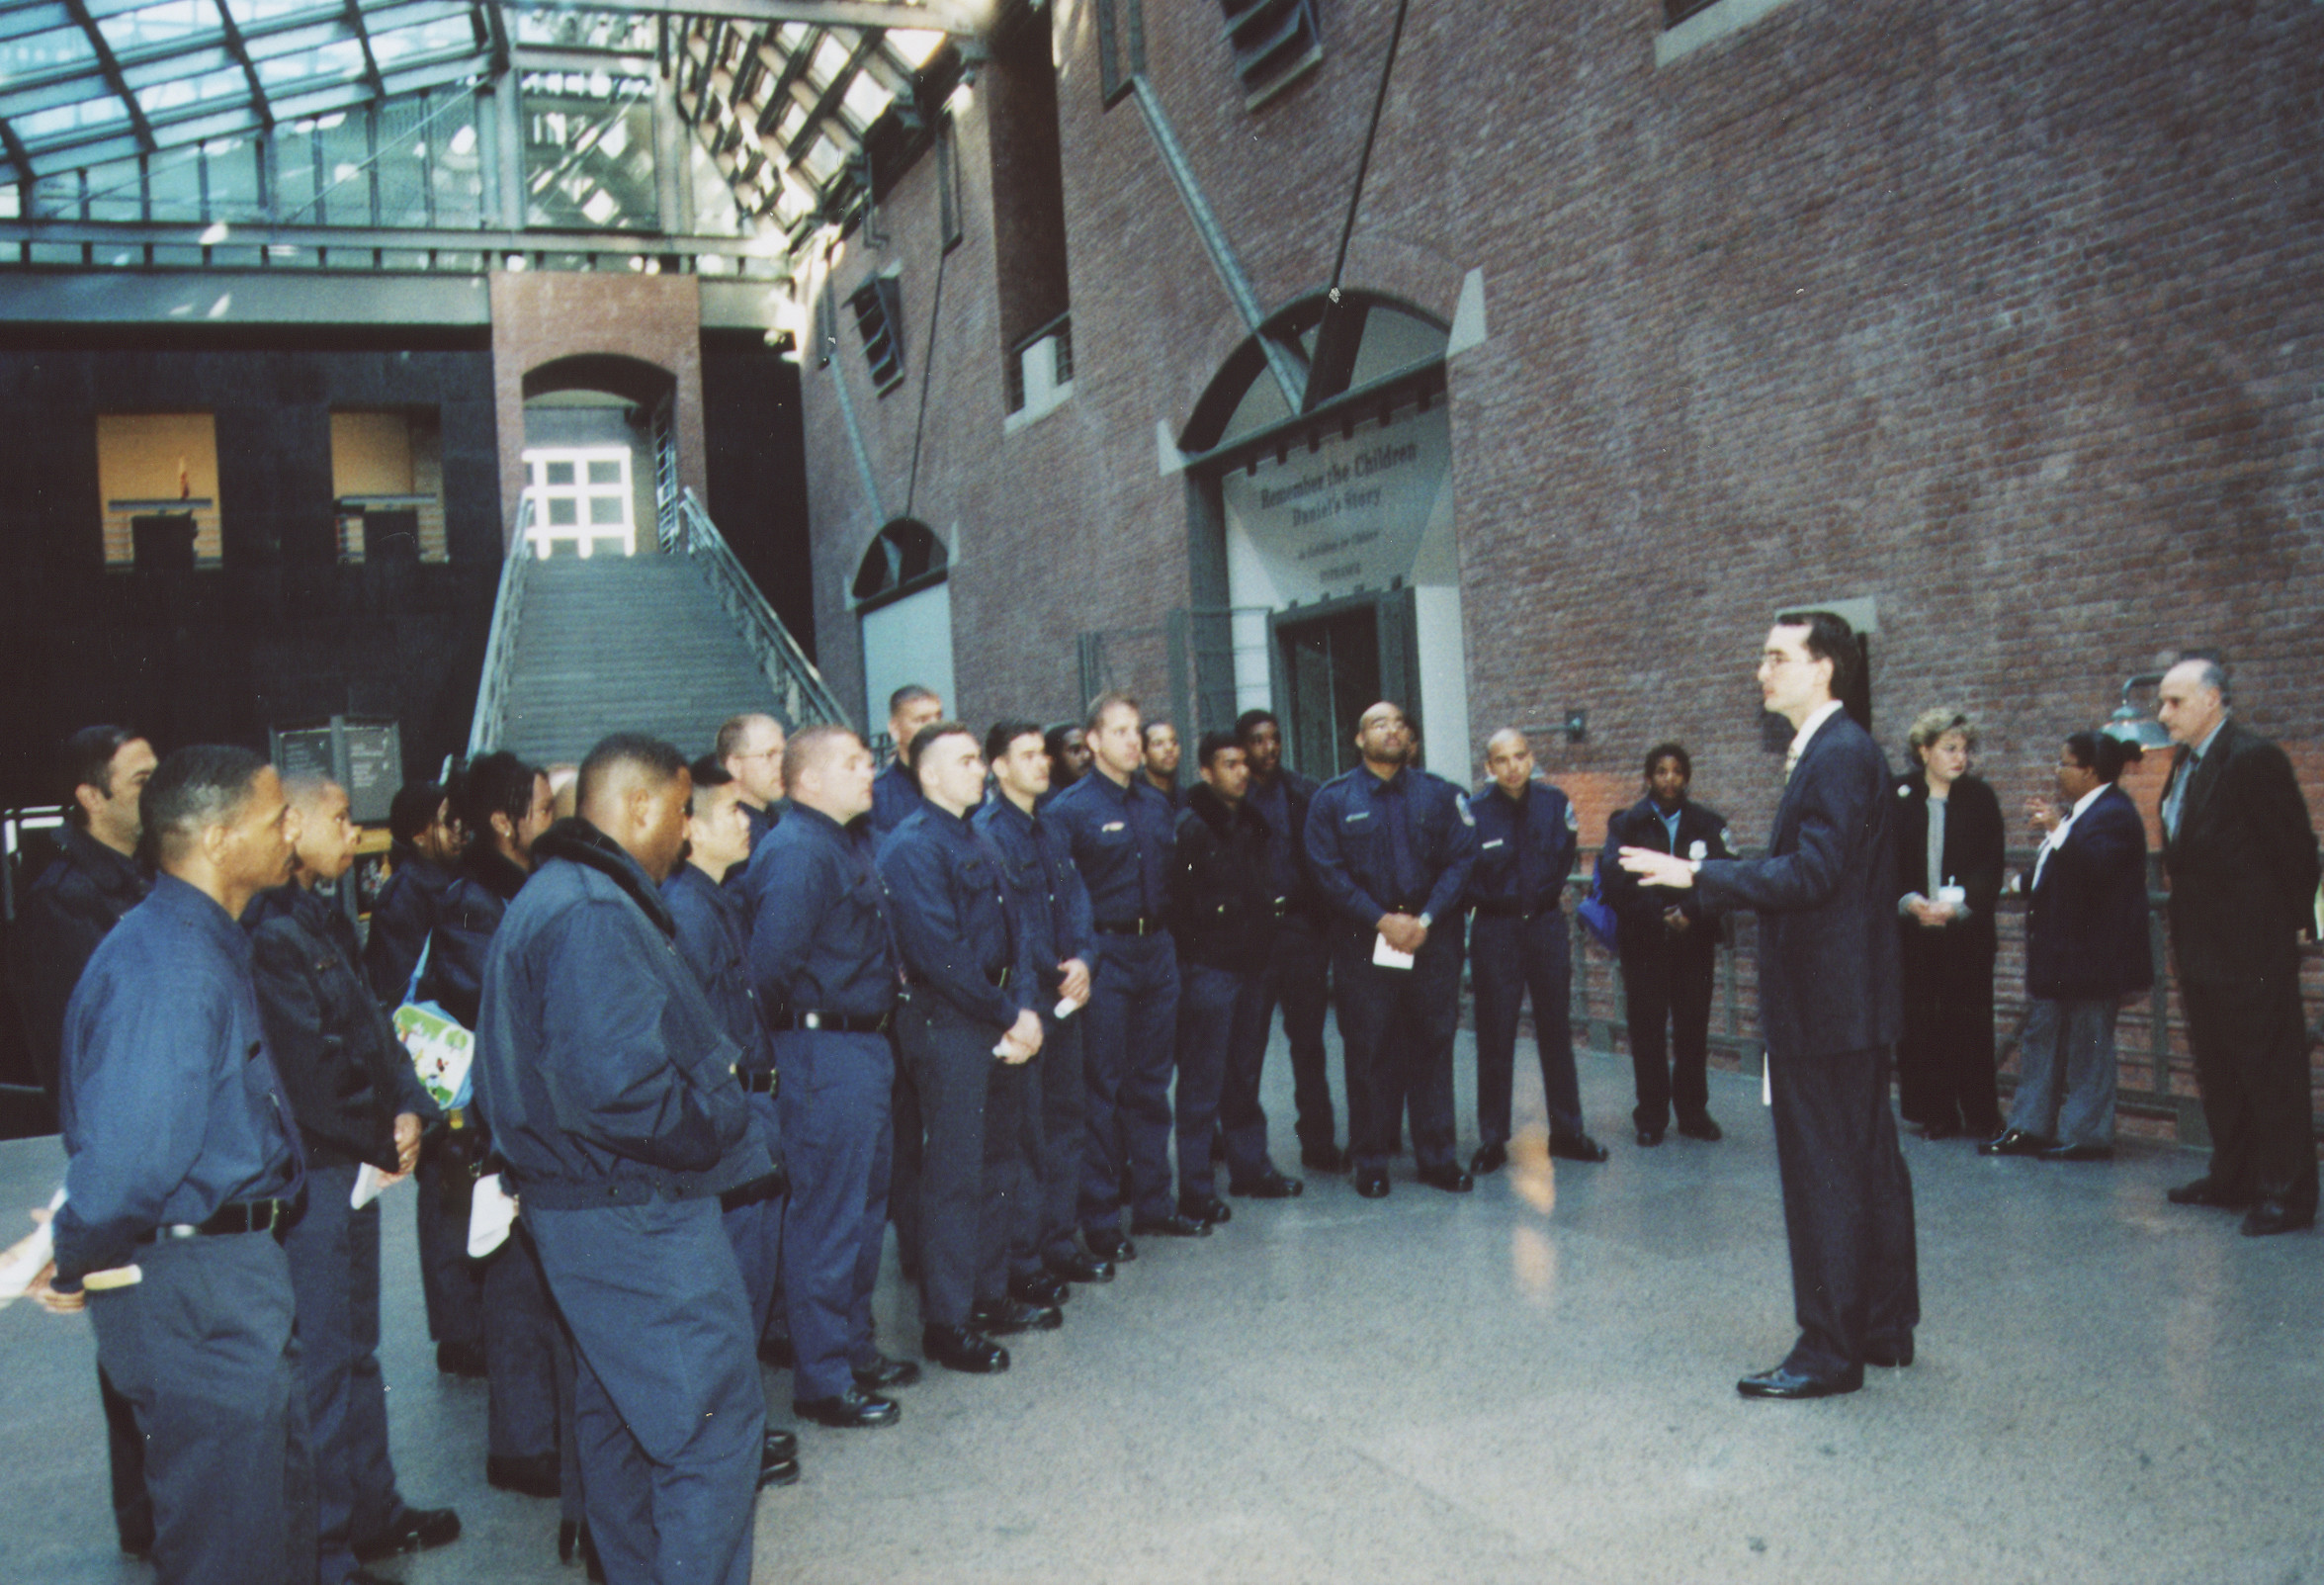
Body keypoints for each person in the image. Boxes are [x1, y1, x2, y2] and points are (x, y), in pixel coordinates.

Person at [473, 735, 776, 1585]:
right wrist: (711, 1132)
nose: (686, 832)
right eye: (683, 810)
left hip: (588, 1211)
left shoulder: (561, 894)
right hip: (635, 1215)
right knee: (710, 1433)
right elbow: (618, 1088)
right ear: (640, 804)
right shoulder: (593, 910)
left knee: (619, 1425)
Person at [31, 746, 315, 1585]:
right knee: (235, 1548)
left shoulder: (192, 943)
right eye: (275, 819)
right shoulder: (170, 967)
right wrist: (72, 1252)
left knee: (264, 1527)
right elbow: (130, 1165)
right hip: (198, 1293)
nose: (290, 829)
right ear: (220, 839)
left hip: (220, 1280)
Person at [1622, 611, 1918, 1400]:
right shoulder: (1842, 751)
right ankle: (1884, 1325)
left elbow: (1812, 874)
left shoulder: (1835, 754)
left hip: (1827, 1005)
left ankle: (1828, 1351)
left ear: (1824, 668)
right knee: (1866, 1166)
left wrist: (1702, 876)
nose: (1761, 670)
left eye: (1776, 656)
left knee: (1825, 1173)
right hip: (1847, 1001)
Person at [245, 776, 460, 1583]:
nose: (355, 829)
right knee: (328, 1360)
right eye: (338, 817)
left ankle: (373, 1510)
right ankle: (329, 1549)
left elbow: (375, 1026)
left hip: (359, 1161)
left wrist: (411, 1110)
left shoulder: (320, 914)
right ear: (290, 824)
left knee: (359, 1349)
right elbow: (309, 1068)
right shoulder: (269, 931)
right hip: (324, 1172)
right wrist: (382, 1129)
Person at [5, 724, 157, 1557]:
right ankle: (146, 1514)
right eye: (137, 780)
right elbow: (83, 1037)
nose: (154, 789)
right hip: (118, 1143)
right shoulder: (64, 898)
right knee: (130, 1320)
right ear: (90, 796)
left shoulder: (139, 876)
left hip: (144, 1138)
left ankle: (156, 1508)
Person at [742, 724, 919, 1429]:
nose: (868, 771)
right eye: (852, 762)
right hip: (823, 1053)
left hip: (862, 1048)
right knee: (829, 1217)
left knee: (863, 1210)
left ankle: (852, 1348)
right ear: (806, 779)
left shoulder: (841, 842)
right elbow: (765, 973)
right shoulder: (797, 851)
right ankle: (823, 1377)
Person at [879, 724, 1054, 1373]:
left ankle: (988, 1291)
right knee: (953, 1173)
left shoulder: (976, 833)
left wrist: (1026, 1009)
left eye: (978, 757)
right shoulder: (912, 847)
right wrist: (1011, 1014)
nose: (978, 767)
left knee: (999, 1161)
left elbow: (1020, 928)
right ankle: (946, 1321)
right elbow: (940, 953)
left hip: (1000, 1016)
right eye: (965, 759)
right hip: (950, 1022)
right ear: (927, 774)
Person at [417, 752, 562, 1492]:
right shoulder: (476, 902)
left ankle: (533, 1432)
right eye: (541, 808)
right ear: (505, 822)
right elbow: (500, 1002)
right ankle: (522, 1443)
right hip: (499, 1120)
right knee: (514, 1281)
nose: (551, 820)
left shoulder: (501, 891)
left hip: (515, 1112)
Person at [661, 757, 801, 1488]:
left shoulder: (717, 898)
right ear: (690, 831)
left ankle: (740, 1429)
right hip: (732, 1108)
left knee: (751, 1276)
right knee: (734, 1289)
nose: (746, 822)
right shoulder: (686, 909)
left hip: (753, 1099)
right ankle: (729, 1442)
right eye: (731, 814)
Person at [2154, 659, 2322, 1235]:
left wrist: (2280, 931)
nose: (2162, 714)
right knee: (2221, 1070)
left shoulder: (2252, 759)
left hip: (2251, 953)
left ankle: (2288, 1194)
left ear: (2212, 698)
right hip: (2201, 950)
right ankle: (2235, 1176)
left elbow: (2297, 852)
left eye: (2174, 702)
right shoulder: (2185, 763)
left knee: (2270, 1073)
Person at [1047, 692, 1207, 1255]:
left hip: (1157, 951)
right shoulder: (1068, 810)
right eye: (1120, 732)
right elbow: (1062, 899)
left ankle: (1154, 1207)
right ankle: (1100, 1220)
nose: (1134, 742)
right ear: (1091, 742)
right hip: (1106, 955)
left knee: (1151, 1085)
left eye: (1137, 731)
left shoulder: (1155, 805)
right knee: (1102, 1089)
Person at [1304, 701, 1480, 1198]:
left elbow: (1462, 861)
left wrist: (1423, 919)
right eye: (1379, 724)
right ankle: (1372, 1159)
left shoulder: (1442, 795)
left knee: (1433, 1045)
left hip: (1431, 939)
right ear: (1358, 740)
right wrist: (1382, 919)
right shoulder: (1333, 800)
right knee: (1368, 1050)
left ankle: (1437, 1157)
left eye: (1400, 724)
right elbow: (1325, 871)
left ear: (1411, 739)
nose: (1392, 730)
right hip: (1364, 942)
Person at [974, 722, 1110, 1291]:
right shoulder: (988, 833)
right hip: (1026, 1002)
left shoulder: (1051, 825)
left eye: (1041, 753)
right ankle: (1023, 1260)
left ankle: (1059, 1240)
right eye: (1026, 755)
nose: (1041, 763)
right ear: (998, 767)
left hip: (1066, 996)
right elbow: (1013, 924)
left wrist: (1085, 958)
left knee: (1066, 1123)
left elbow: (1078, 901)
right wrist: (1053, 973)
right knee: (1026, 1136)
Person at [1983, 733, 2151, 1162]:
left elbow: (2096, 871)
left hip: (2093, 958)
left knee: (2089, 1046)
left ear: (2089, 770)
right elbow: (2060, 869)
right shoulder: (2082, 813)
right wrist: (2020, 884)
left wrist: (2055, 828)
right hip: (2061, 956)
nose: (2057, 772)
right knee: (2043, 1038)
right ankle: (2029, 1127)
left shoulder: (2114, 814)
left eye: (2064, 764)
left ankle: (2087, 1135)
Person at [1172, 731, 1303, 1213]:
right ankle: (1197, 1188)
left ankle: (1251, 1170)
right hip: (1209, 969)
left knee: (1244, 1077)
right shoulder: (1191, 827)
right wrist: (1193, 963)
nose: (1242, 772)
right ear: (1206, 772)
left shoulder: (1252, 823)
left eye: (1244, 763)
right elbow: (1178, 906)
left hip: (1252, 967)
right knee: (1202, 1082)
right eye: (1229, 764)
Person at [1465, 728, 1603, 1174]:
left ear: (1531, 758)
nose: (1512, 766)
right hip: (1496, 929)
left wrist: (1536, 899)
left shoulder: (1554, 803)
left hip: (1544, 925)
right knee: (1495, 1033)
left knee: (1556, 1031)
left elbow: (1563, 858)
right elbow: (1465, 871)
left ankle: (1567, 1132)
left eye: (1520, 756)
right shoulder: (1473, 813)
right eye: (1501, 759)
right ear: (1488, 767)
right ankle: (1492, 1138)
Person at [1599, 743, 1731, 1147]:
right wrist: (1659, 913)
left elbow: (1725, 876)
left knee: (1693, 1030)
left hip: (1694, 941)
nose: (1669, 778)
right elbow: (1615, 880)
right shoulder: (1626, 824)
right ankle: (1651, 1116)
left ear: (1686, 777)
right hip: (1645, 943)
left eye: (1677, 770)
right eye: (1660, 770)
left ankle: (1693, 1113)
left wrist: (1690, 910)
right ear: (1648, 777)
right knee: (1648, 1030)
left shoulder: (1709, 824)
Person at [1891, 708, 2006, 1142]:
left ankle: (1981, 1112)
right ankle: (1935, 1112)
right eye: (1950, 749)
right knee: (1922, 1024)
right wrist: (1907, 901)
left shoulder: (1979, 797)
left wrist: (1959, 908)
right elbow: (1884, 861)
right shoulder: (1897, 794)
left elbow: (1989, 864)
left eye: (1965, 750)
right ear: (1924, 751)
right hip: (1913, 931)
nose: (1961, 758)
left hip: (1965, 933)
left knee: (1971, 1023)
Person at [1238, 709, 1343, 1172]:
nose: (1269, 748)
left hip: (1302, 932)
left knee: (1309, 1043)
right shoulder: (1231, 799)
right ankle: (1246, 1151)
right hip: (1253, 938)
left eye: (1275, 739)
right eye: (1259, 740)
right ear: (1244, 747)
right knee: (1248, 1046)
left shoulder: (1306, 792)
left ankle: (1319, 1143)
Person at [360, 781, 460, 1009]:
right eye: (446, 822)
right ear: (419, 837)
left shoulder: (457, 880)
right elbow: (402, 988)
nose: (457, 829)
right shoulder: (401, 898)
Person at [871, 684, 946, 837]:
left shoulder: (960, 782)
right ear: (895, 729)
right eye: (921, 720)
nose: (935, 727)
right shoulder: (877, 796)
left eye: (938, 717)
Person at [715, 713, 788, 855]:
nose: (781, 764)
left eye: (783, 753)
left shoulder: (770, 818)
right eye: (769, 754)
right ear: (735, 766)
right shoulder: (736, 839)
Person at [1043, 722, 1091, 800]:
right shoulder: (1043, 803)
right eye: (1076, 751)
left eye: (1088, 748)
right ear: (1053, 758)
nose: (1086, 756)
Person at [1142, 721, 1183, 805]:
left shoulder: (1185, 798)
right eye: (1158, 744)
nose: (1169, 748)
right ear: (1143, 756)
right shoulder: (1134, 801)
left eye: (1173, 742)